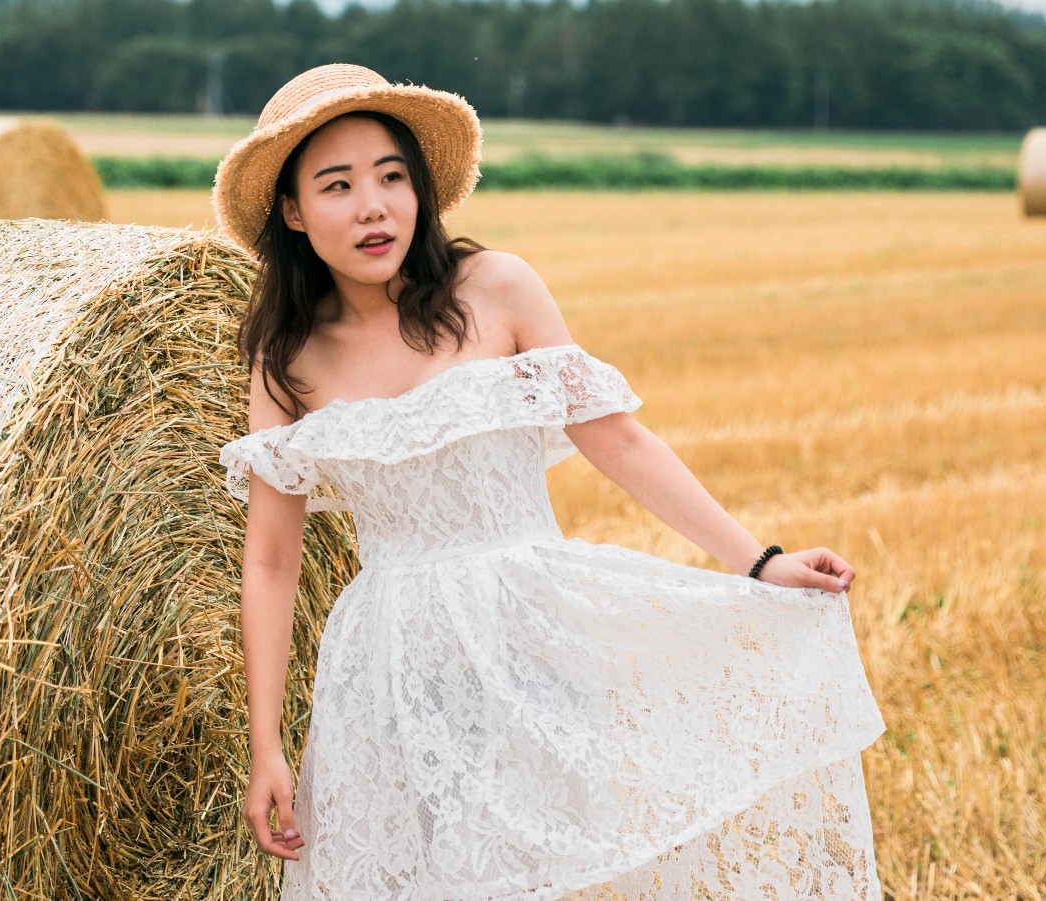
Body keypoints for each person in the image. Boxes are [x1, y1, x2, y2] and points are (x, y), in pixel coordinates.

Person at [213, 64, 885, 900]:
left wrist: (759, 561)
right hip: (389, 671)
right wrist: (267, 744)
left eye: (392, 177)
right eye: (337, 184)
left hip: (532, 636)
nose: (373, 206)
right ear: (292, 209)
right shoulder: (288, 362)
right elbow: (272, 562)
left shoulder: (496, 289)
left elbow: (621, 440)